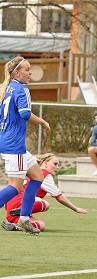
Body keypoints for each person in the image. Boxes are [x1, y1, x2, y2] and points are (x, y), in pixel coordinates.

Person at [0, 56, 50, 234]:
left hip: (7, 142)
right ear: (16, 72)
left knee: (37, 177)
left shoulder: (5, 88)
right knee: (15, 187)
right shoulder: (21, 89)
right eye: (27, 70)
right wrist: (42, 122)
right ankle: (23, 218)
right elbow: (25, 114)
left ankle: (24, 219)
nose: (30, 73)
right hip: (15, 146)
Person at [2, 153, 88, 232]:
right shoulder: (44, 174)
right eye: (55, 164)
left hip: (10, 210)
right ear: (45, 163)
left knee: (41, 226)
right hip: (19, 204)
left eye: (58, 165)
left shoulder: (31, 172)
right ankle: (22, 211)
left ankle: (15, 225)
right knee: (46, 204)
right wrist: (75, 209)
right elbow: (59, 196)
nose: (57, 167)